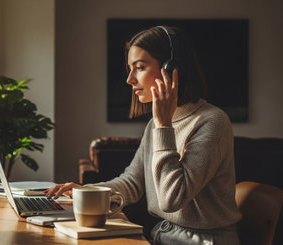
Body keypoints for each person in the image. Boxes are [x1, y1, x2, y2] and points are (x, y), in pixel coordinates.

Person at [45, 26, 242, 245]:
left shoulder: (211, 122)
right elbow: (132, 183)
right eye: (130, 69)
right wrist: (87, 191)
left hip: (203, 240)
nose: (129, 79)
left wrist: (163, 126)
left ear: (170, 68)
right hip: (164, 236)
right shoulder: (155, 126)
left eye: (139, 67)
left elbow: (171, 200)